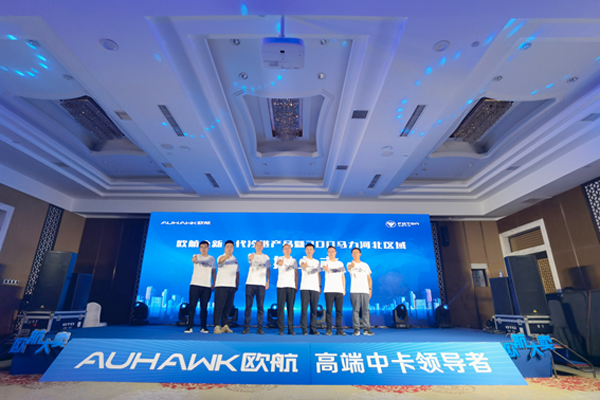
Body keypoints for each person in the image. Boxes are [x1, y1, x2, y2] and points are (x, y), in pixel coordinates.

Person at [185, 240, 216, 334]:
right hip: (195, 285)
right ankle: (189, 327)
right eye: (201, 247)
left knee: (204, 308)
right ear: (199, 248)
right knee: (192, 307)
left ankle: (203, 327)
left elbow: (214, 272)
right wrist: (194, 259)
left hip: (206, 286)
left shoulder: (212, 259)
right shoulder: (196, 256)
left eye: (205, 247)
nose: (203, 249)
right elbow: (193, 260)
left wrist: (214, 283)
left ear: (208, 248)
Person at [242, 241, 271, 335]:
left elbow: (268, 270)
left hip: (261, 284)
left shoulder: (266, 257)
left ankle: (260, 328)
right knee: (248, 307)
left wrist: (267, 281)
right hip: (250, 283)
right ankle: (246, 327)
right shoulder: (251, 255)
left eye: (260, 245)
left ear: (263, 247)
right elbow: (249, 261)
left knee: (260, 307)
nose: (259, 247)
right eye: (257, 245)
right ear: (254, 246)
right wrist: (250, 259)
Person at [213, 240, 239, 334]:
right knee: (219, 307)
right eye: (227, 247)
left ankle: (224, 325)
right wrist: (226, 256)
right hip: (221, 285)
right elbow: (220, 262)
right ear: (224, 248)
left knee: (228, 307)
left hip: (231, 286)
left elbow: (237, 272)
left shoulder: (235, 259)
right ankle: (216, 326)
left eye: (231, 247)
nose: (229, 248)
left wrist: (236, 284)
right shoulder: (221, 257)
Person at [348, 247, 374, 336]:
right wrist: (352, 266)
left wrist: (370, 289)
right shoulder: (350, 264)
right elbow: (349, 267)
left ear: (360, 254)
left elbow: (369, 278)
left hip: (365, 290)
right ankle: (356, 329)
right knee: (355, 310)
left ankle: (367, 329)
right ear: (352, 255)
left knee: (365, 310)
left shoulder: (365, 265)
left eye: (357, 252)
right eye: (353, 253)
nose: (355, 254)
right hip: (354, 290)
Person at [322, 245, 346, 336]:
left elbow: (342, 276)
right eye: (329, 251)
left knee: (339, 311)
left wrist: (343, 289)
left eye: (333, 251)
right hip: (329, 290)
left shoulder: (340, 263)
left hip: (339, 290)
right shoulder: (325, 262)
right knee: (329, 311)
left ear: (335, 253)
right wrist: (325, 268)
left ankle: (339, 329)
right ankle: (329, 329)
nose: (331, 253)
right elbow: (324, 268)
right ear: (327, 253)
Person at [275, 243, 298, 335]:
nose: (287, 250)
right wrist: (280, 262)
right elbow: (278, 263)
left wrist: (296, 285)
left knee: (290, 308)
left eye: (289, 248)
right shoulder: (280, 258)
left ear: (291, 250)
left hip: (291, 286)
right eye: (285, 248)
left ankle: (290, 329)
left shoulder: (294, 260)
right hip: (281, 286)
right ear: (283, 250)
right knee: (280, 308)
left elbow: (296, 274)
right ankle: (281, 329)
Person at [299, 243, 321, 335]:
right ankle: (304, 329)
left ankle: (313, 329)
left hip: (315, 288)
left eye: (311, 249)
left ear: (313, 251)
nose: (309, 251)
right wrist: (304, 265)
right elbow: (302, 265)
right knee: (304, 309)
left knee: (314, 310)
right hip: (305, 287)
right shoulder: (302, 260)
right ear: (305, 250)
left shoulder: (316, 262)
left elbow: (318, 274)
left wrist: (319, 286)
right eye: (307, 249)